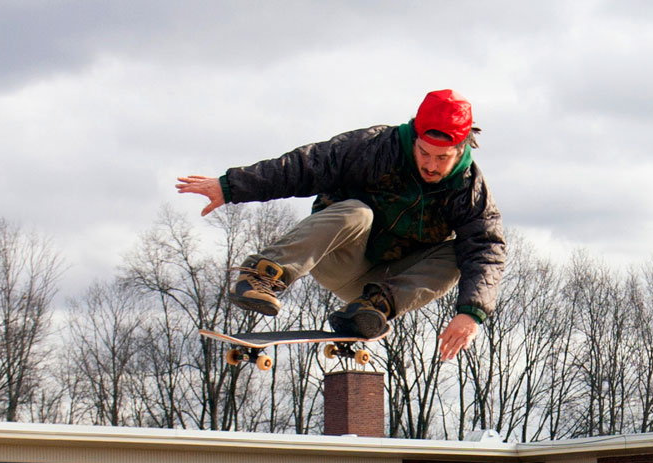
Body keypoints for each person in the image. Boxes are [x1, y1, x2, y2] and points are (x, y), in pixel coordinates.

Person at [175, 90, 504, 362]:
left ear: (461, 149)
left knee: (459, 253)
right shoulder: (377, 148)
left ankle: (370, 308)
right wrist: (231, 186)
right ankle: (264, 275)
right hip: (340, 259)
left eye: (441, 158)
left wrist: (471, 313)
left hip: (387, 283)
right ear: (415, 136)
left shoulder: (468, 189)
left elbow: (487, 249)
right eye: (423, 152)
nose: (430, 165)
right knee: (358, 213)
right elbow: (308, 165)